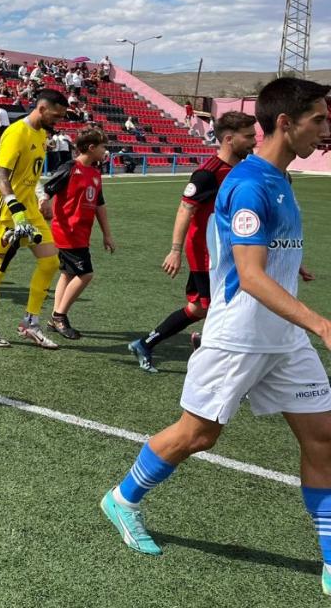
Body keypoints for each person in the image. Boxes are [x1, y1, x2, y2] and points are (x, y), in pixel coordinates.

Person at [99, 78, 331, 593]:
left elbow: (266, 254)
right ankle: (123, 498)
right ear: (286, 123)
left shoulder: (279, 179)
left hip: (285, 339)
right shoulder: (248, 183)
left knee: (323, 439)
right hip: (239, 336)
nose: (326, 128)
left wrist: (296, 269)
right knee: (198, 436)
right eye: (319, 119)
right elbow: (248, 276)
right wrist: (320, 323)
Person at [128, 111, 258, 372]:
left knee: (198, 308)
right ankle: (211, 355)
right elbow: (185, 209)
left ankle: (145, 343)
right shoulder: (207, 174)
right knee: (223, 309)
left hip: (227, 252)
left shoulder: (241, 170)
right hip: (206, 255)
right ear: (230, 139)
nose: (254, 141)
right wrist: (175, 250)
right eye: (249, 136)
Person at [0, 89, 69, 349]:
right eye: (56, 115)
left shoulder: (41, 135)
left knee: (50, 262)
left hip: (30, 209)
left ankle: (30, 323)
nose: (58, 120)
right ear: (42, 108)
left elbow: (32, 174)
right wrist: (16, 210)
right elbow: (1, 176)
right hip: (7, 212)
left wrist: (41, 196)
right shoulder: (16, 132)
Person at [45, 127, 115, 340]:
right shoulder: (69, 167)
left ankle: (54, 318)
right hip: (67, 231)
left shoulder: (95, 172)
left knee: (67, 273)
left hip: (82, 233)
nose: (105, 151)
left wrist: (107, 234)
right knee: (85, 274)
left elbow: (99, 205)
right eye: (103, 147)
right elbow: (47, 189)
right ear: (91, 148)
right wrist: (43, 202)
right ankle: (59, 316)